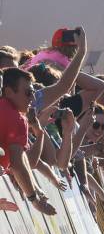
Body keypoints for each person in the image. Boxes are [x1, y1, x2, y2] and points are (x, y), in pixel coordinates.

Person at [0, 68, 57, 215]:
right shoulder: (16, 118)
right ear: (9, 92)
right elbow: (20, 164)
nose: (32, 98)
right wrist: (34, 199)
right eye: (28, 92)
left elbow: (24, 161)